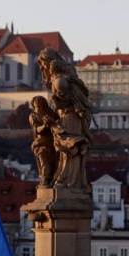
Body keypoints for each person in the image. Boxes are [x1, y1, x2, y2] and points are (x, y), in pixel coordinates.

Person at [39, 47, 93, 189]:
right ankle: (63, 177)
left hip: (71, 117)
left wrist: (57, 100)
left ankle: (71, 179)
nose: (42, 68)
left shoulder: (62, 79)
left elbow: (70, 99)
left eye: (43, 64)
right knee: (64, 149)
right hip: (65, 117)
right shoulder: (60, 77)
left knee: (70, 147)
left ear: (49, 62)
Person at [29, 95, 59, 188]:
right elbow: (36, 129)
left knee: (55, 161)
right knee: (43, 158)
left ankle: (52, 179)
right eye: (37, 107)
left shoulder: (50, 113)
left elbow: (58, 122)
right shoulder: (33, 116)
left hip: (53, 141)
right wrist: (45, 126)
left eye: (41, 107)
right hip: (40, 143)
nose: (39, 109)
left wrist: (52, 122)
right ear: (34, 107)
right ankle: (45, 179)